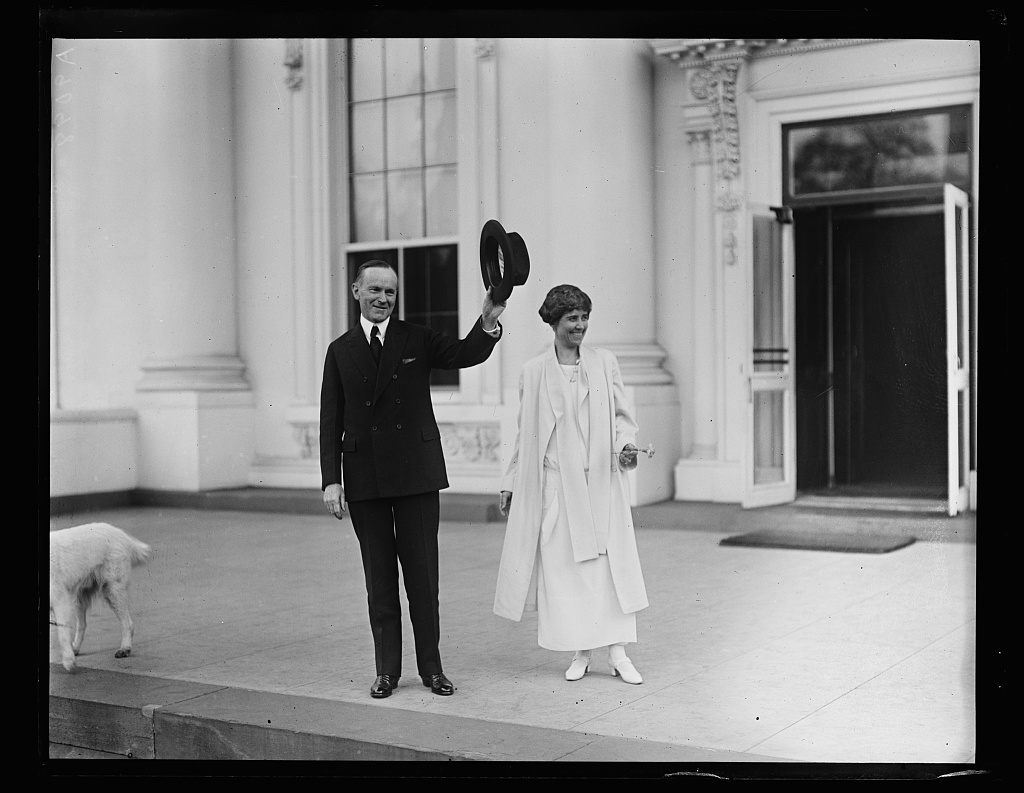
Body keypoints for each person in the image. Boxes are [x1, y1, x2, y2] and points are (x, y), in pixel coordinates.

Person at [321, 260, 505, 699]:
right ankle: (387, 671)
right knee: (379, 579)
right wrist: (332, 480)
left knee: (423, 580)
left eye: (390, 292)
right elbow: (331, 419)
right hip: (365, 479)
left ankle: (432, 669)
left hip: (417, 478)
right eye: (375, 290)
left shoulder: (417, 338)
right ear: (356, 292)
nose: (383, 298)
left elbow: (465, 354)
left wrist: (489, 321)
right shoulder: (340, 349)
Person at [493, 284, 648, 684]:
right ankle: (582, 652)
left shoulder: (604, 362)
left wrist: (626, 447)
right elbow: (525, 433)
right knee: (567, 572)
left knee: (607, 569)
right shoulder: (533, 371)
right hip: (556, 488)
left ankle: (617, 653)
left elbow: (621, 419)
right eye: (572, 319)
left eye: (584, 318)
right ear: (554, 322)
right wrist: (511, 481)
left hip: (601, 482)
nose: (580, 326)